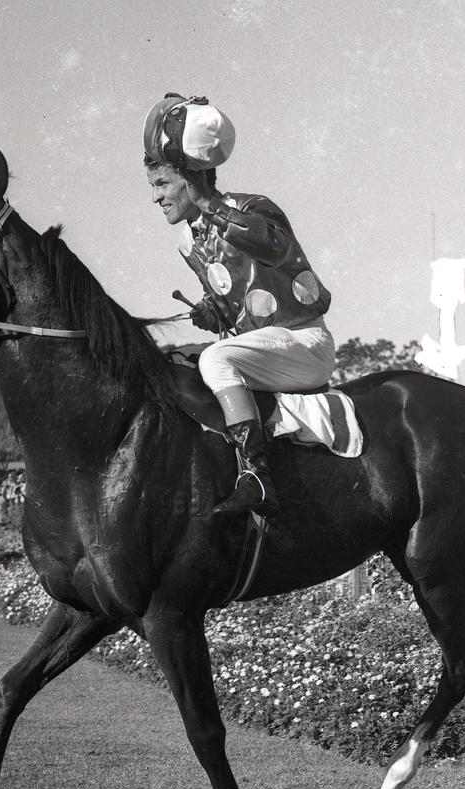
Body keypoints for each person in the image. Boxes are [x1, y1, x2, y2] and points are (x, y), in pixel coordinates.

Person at [143, 93, 335, 516]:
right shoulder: (187, 243)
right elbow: (234, 306)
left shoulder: (253, 207)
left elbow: (271, 247)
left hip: (304, 342)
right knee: (176, 363)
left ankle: (257, 475)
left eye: (162, 184)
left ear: (190, 178)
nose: (155, 198)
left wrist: (210, 203)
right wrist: (212, 312)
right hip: (266, 348)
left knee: (215, 362)